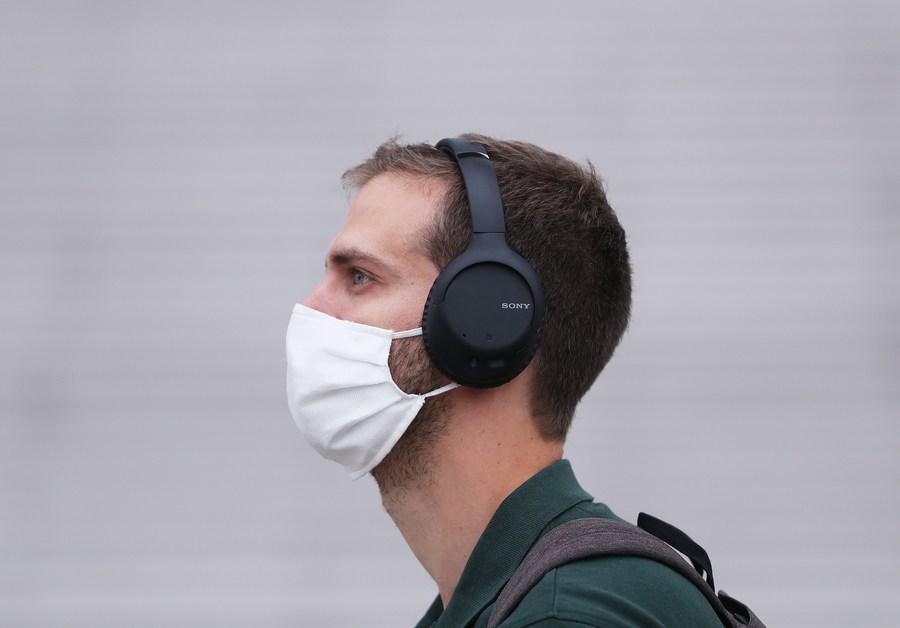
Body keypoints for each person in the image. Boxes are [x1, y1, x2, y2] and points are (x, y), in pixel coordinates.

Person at [285, 134, 723, 627]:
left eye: (360, 276)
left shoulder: (566, 616)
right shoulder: (517, 597)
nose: (311, 310)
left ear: (487, 325)